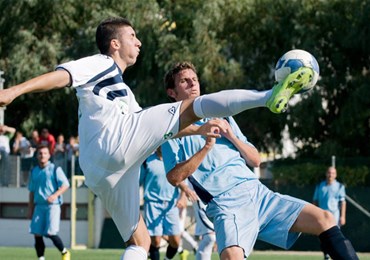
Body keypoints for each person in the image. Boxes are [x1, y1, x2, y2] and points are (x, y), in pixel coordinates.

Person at [0, 16, 314, 259]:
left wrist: (196, 130)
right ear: (114, 44)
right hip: (113, 144)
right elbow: (61, 77)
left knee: (141, 241)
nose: (138, 42)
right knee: (194, 106)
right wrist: (13, 91)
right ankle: (268, 96)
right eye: (132, 36)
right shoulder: (101, 63)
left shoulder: (124, 95)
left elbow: (159, 138)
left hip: (102, 170)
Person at [161, 61, 358, 260]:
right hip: (227, 205)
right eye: (185, 81)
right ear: (172, 92)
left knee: (324, 219)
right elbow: (175, 178)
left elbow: (255, 160)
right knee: (231, 257)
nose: (193, 84)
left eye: (194, 79)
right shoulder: (172, 131)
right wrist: (206, 147)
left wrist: (231, 136)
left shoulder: (222, 116)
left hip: (260, 195)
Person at [140, 146, 185, 260]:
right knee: (156, 241)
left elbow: (181, 180)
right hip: (152, 203)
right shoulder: (147, 161)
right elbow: (137, 183)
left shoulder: (174, 160)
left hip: (171, 205)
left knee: (175, 241)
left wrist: (183, 197)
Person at [28, 145, 70, 260]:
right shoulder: (34, 171)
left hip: (53, 206)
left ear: (49, 156)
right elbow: (31, 191)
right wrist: (30, 208)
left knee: (50, 233)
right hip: (39, 206)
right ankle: (41, 258)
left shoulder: (55, 169)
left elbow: (66, 185)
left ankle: (64, 252)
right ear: (37, 156)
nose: (42, 155)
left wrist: (55, 195)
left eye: (45, 153)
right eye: (40, 153)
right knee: (37, 233)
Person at [313, 166, 347, 260]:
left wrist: (343, 216)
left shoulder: (340, 186)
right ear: (326, 173)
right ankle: (326, 255)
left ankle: (334, 255)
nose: (330, 175)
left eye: (332, 173)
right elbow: (315, 201)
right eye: (329, 172)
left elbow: (343, 202)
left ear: (335, 175)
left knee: (334, 238)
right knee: (322, 237)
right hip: (322, 217)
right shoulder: (320, 186)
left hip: (334, 217)